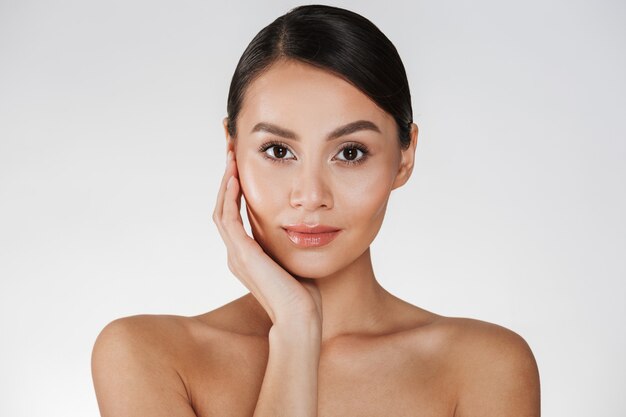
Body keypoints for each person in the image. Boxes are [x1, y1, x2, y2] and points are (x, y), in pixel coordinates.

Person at [91, 4, 540, 416]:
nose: (310, 195)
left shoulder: (484, 366)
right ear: (232, 148)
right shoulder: (146, 355)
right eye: (278, 150)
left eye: (349, 153)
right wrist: (294, 328)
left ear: (404, 157)